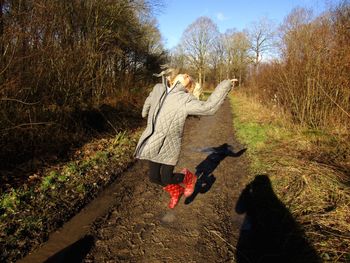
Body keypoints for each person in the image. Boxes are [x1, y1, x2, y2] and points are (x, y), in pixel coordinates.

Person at [134, 72, 235, 208]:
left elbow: (208, 108)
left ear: (189, 86)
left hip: (170, 145)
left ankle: (189, 178)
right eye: (184, 74)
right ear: (175, 78)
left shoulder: (185, 99)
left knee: (166, 178)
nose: (187, 75)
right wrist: (144, 111)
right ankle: (176, 191)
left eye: (189, 77)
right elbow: (150, 98)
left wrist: (225, 85)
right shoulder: (159, 88)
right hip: (154, 141)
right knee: (153, 178)